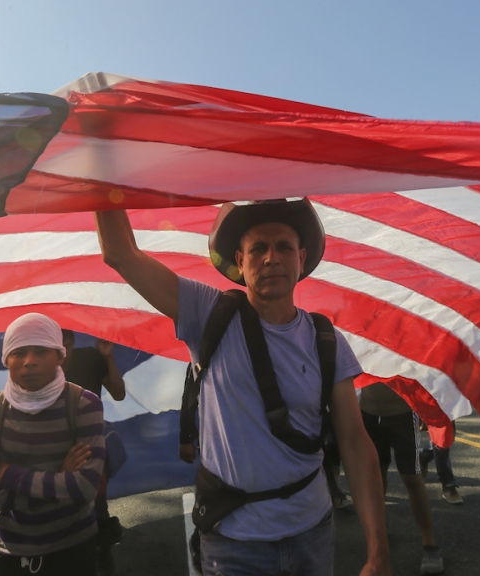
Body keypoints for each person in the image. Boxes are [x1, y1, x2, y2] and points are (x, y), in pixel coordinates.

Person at [96, 199, 391, 576]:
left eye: (283, 247)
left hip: (313, 535)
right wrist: (100, 165)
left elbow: (354, 442)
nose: (271, 258)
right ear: (240, 259)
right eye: (258, 249)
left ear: (301, 259)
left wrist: (379, 552)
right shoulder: (208, 313)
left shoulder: (325, 338)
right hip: (234, 543)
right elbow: (121, 254)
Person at [0, 313, 105, 576]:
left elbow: (85, 488)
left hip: (72, 550)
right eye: (18, 353)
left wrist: (8, 474)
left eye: (41, 351)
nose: (29, 362)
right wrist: (58, 481)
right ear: (6, 359)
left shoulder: (84, 404)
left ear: (60, 356)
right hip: (8, 553)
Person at [359, 381, 444, 574]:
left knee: (412, 479)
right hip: (367, 414)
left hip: (403, 415)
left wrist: (424, 406)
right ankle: (379, 534)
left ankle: (429, 546)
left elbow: (418, 365)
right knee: (375, 476)